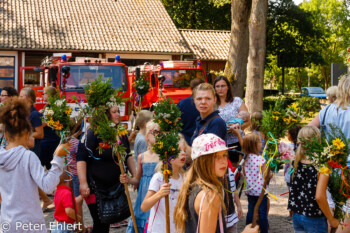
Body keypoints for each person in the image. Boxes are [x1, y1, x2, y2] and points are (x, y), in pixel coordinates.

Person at [0, 98, 70, 233]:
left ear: (6, 136)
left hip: (7, 222)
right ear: (27, 135)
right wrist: (58, 157)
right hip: (30, 223)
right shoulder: (28, 156)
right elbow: (48, 186)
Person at [77, 105, 136, 233]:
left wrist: (135, 176)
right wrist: (83, 183)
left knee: (107, 222)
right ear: (105, 115)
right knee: (100, 223)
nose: (118, 114)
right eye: (114, 112)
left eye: (118, 111)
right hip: (96, 187)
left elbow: (128, 155)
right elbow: (81, 158)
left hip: (116, 186)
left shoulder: (121, 132)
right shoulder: (92, 133)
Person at [308, 74, 350, 232]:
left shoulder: (327, 110)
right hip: (347, 174)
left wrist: (320, 152)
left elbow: (306, 132)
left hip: (328, 169)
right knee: (346, 219)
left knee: (330, 216)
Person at [288, 126, 338, 233]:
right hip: (314, 219)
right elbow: (319, 197)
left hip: (297, 216)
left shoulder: (295, 162)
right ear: (318, 140)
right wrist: (331, 219)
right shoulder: (321, 166)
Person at [174, 133, 228, 233]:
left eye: (224, 155)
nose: (223, 161)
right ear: (203, 161)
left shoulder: (191, 184)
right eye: (216, 157)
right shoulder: (210, 196)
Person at [141, 135, 187, 233]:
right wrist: (159, 194)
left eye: (184, 150)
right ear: (168, 156)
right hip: (159, 229)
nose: (183, 153)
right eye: (179, 151)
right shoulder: (159, 178)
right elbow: (144, 207)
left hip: (177, 229)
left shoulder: (184, 178)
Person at [120, 121, 160, 233]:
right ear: (147, 136)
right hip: (143, 194)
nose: (158, 135)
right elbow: (137, 180)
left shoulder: (163, 157)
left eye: (160, 132)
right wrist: (128, 180)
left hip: (157, 193)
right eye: (154, 132)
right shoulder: (142, 157)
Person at [214, 76, 250, 165]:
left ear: (228, 87)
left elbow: (248, 121)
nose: (220, 89)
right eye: (217, 86)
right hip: (218, 143)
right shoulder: (212, 103)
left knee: (235, 171)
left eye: (223, 86)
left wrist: (237, 127)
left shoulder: (236, 101)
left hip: (236, 141)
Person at [242, 133, 268, 233]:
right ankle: (264, 231)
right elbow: (265, 176)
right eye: (259, 142)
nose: (261, 143)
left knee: (251, 211)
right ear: (254, 145)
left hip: (250, 190)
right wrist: (270, 175)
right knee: (262, 213)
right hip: (261, 191)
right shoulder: (261, 159)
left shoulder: (245, 159)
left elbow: (244, 173)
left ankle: (249, 228)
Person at [177, 78, 205, 145]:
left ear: (191, 88)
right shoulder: (205, 104)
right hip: (202, 140)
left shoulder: (182, 103)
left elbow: (177, 123)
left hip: (185, 140)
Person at [40, 86, 61, 169]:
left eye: (43, 93)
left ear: (48, 95)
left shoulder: (51, 108)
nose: (42, 95)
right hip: (52, 139)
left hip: (49, 140)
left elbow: (45, 123)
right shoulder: (50, 107)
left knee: (46, 165)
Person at [284, 125, 301, 223]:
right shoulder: (302, 147)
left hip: (289, 176)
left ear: (289, 136)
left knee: (291, 195)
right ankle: (298, 213)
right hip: (299, 176)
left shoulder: (287, 147)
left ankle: (291, 216)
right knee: (298, 194)